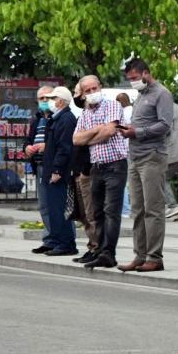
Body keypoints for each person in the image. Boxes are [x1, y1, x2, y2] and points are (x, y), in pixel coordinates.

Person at [117, 59, 174, 273]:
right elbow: (144, 123)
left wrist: (137, 132)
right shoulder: (141, 96)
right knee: (138, 210)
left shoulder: (162, 94)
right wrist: (129, 128)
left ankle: (154, 257)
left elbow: (165, 125)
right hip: (136, 156)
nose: (132, 82)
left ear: (146, 73)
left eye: (134, 78)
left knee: (153, 209)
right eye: (129, 79)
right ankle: (139, 255)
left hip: (153, 156)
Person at [73, 75, 128, 270]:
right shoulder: (86, 113)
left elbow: (109, 132)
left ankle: (108, 253)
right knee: (97, 213)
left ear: (100, 87)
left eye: (94, 88)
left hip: (115, 164)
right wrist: (96, 131)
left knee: (111, 211)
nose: (91, 93)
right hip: (97, 166)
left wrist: (91, 137)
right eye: (87, 91)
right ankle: (100, 250)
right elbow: (76, 139)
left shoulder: (112, 105)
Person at [40, 86, 78, 256]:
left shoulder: (66, 119)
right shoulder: (56, 119)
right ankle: (56, 241)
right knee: (53, 208)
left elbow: (65, 148)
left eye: (53, 98)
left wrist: (57, 170)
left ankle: (66, 243)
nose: (50, 102)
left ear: (61, 101)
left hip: (59, 173)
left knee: (59, 208)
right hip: (51, 170)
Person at [70, 84, 100, 264]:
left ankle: (97, 247)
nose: (76, 96)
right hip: (80, 169)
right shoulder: (83, 116)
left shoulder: (96, 115)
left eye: (76, 93)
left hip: (89, 169)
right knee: (84, 214)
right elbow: (76, 139)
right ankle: (92, 245)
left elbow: (85, 139)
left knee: (91, 212)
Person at [24, 85, 55, 254]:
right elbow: (28, 140)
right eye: (41, 98)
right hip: (40, 166)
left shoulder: (57, 117)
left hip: (53, 167)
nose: (44, 101)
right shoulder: (36, 120)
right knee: (44, 206)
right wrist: (27, 147)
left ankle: (61, 239)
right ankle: (49, 239)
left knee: (58, 205)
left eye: (47, 98)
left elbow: (62, 142)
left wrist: (47, 146)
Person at [117, 93, 134, 218]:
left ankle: (125, 209)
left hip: (125, 150)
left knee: (124, 181)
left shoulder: (122, 113)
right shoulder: (133, 110)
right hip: (135, 149)